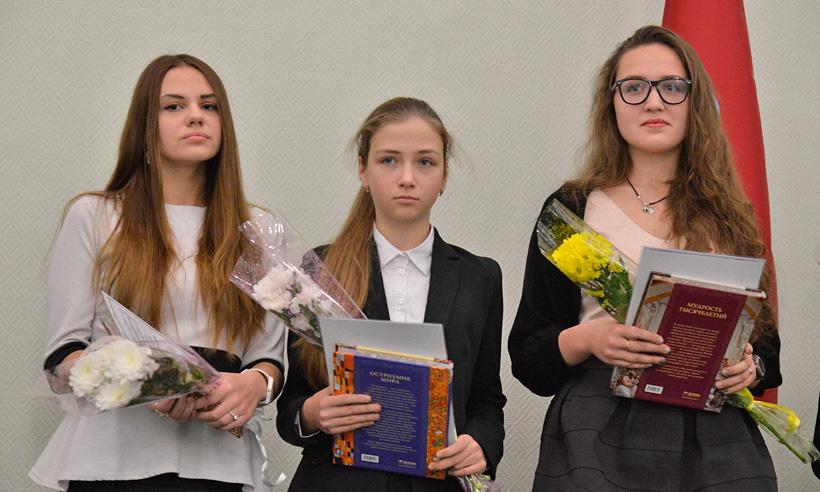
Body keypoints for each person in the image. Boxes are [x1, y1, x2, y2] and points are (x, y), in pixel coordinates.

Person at [508, 26, 781, 491]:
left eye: (672, 87)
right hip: (596, 437)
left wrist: (749, 369)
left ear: (695, 102)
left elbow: (768, 354)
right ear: (611, 103)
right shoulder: (571, 209)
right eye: (634, 88)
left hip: (716, 444)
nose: (653, 102)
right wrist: (590, 338)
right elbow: (529, 358)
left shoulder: (730, 215)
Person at [29, 54, 286, 491]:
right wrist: (151, 382)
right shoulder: (95, 215)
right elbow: (62, 356)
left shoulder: (257, 229)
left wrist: (253, 385)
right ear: (144, 126)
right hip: (110, 462)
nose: (195, 116)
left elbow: (269, 357)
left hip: (217, 465)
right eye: (174, 106)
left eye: (209, 106)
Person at [276, 97, 506, 491]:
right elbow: (292, 403)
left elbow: (486, 400)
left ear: (445, 176)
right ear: (362, 170)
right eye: (388, 160)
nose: (407, 178)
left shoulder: (479, 276)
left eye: (425, 162)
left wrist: (482, 445)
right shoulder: (321, 267)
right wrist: (313, 414)